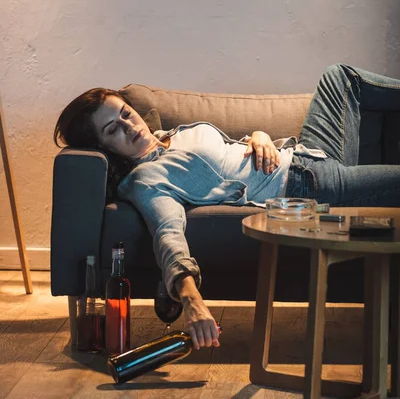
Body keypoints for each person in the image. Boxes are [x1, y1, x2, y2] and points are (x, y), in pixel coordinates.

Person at [54, 63, 400, 350]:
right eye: (113, 129)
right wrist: (190, 298)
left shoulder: (173, 134)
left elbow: (233, 154)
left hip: (306, 151)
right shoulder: (147, 180)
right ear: (105, 147)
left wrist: (259, 136)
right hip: (311, 185)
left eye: (126, 114)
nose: (130, 127)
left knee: (340, 76)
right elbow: (167, 233)